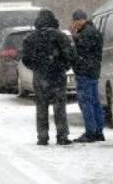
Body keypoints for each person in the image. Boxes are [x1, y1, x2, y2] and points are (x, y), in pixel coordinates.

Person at [21, 9, 77, 146]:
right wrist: (63, 66)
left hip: (40, 76)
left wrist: (36, 67)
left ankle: (42, 136)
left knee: (41, 106)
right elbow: (71, 55)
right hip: (57, 75)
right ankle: (62, 135)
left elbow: (25, 59)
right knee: (59, 107)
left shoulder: (30, 38)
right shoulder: (61, 36)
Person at [69, 9, 105, 143]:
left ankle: (91, 132)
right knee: (95, 102)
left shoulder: (85, 33)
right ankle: (99, 131)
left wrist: (74, 36)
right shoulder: (94, 31)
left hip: (84, 71)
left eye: (74, 21)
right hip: (94, 71)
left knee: (86, 102)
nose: (73, 24)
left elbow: (82, 51)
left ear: (79, 20)